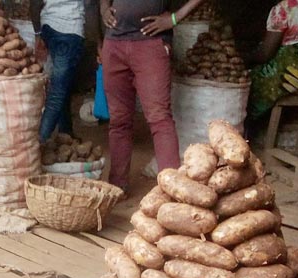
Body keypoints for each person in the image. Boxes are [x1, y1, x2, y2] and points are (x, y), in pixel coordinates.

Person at [98, 0, 207, 196]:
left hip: (150, 45)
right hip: (114, 44)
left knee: (159, 118)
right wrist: (104, 8)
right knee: (119, 121)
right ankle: (117, 186)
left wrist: (175, 17)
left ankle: (171, 192)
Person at [246, 0, 298, 118]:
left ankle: (244, 129)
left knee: (243, 85)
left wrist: (242, 58)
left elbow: (265, 54)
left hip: (286, 78)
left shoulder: (285, 8)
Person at [31, 0, 85, 142]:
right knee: (58, 91)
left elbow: (35, 4)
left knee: (63, 84)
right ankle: (40, 140)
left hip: (48, 27)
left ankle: (65, 131)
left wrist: (38, 33)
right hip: (69, 29)